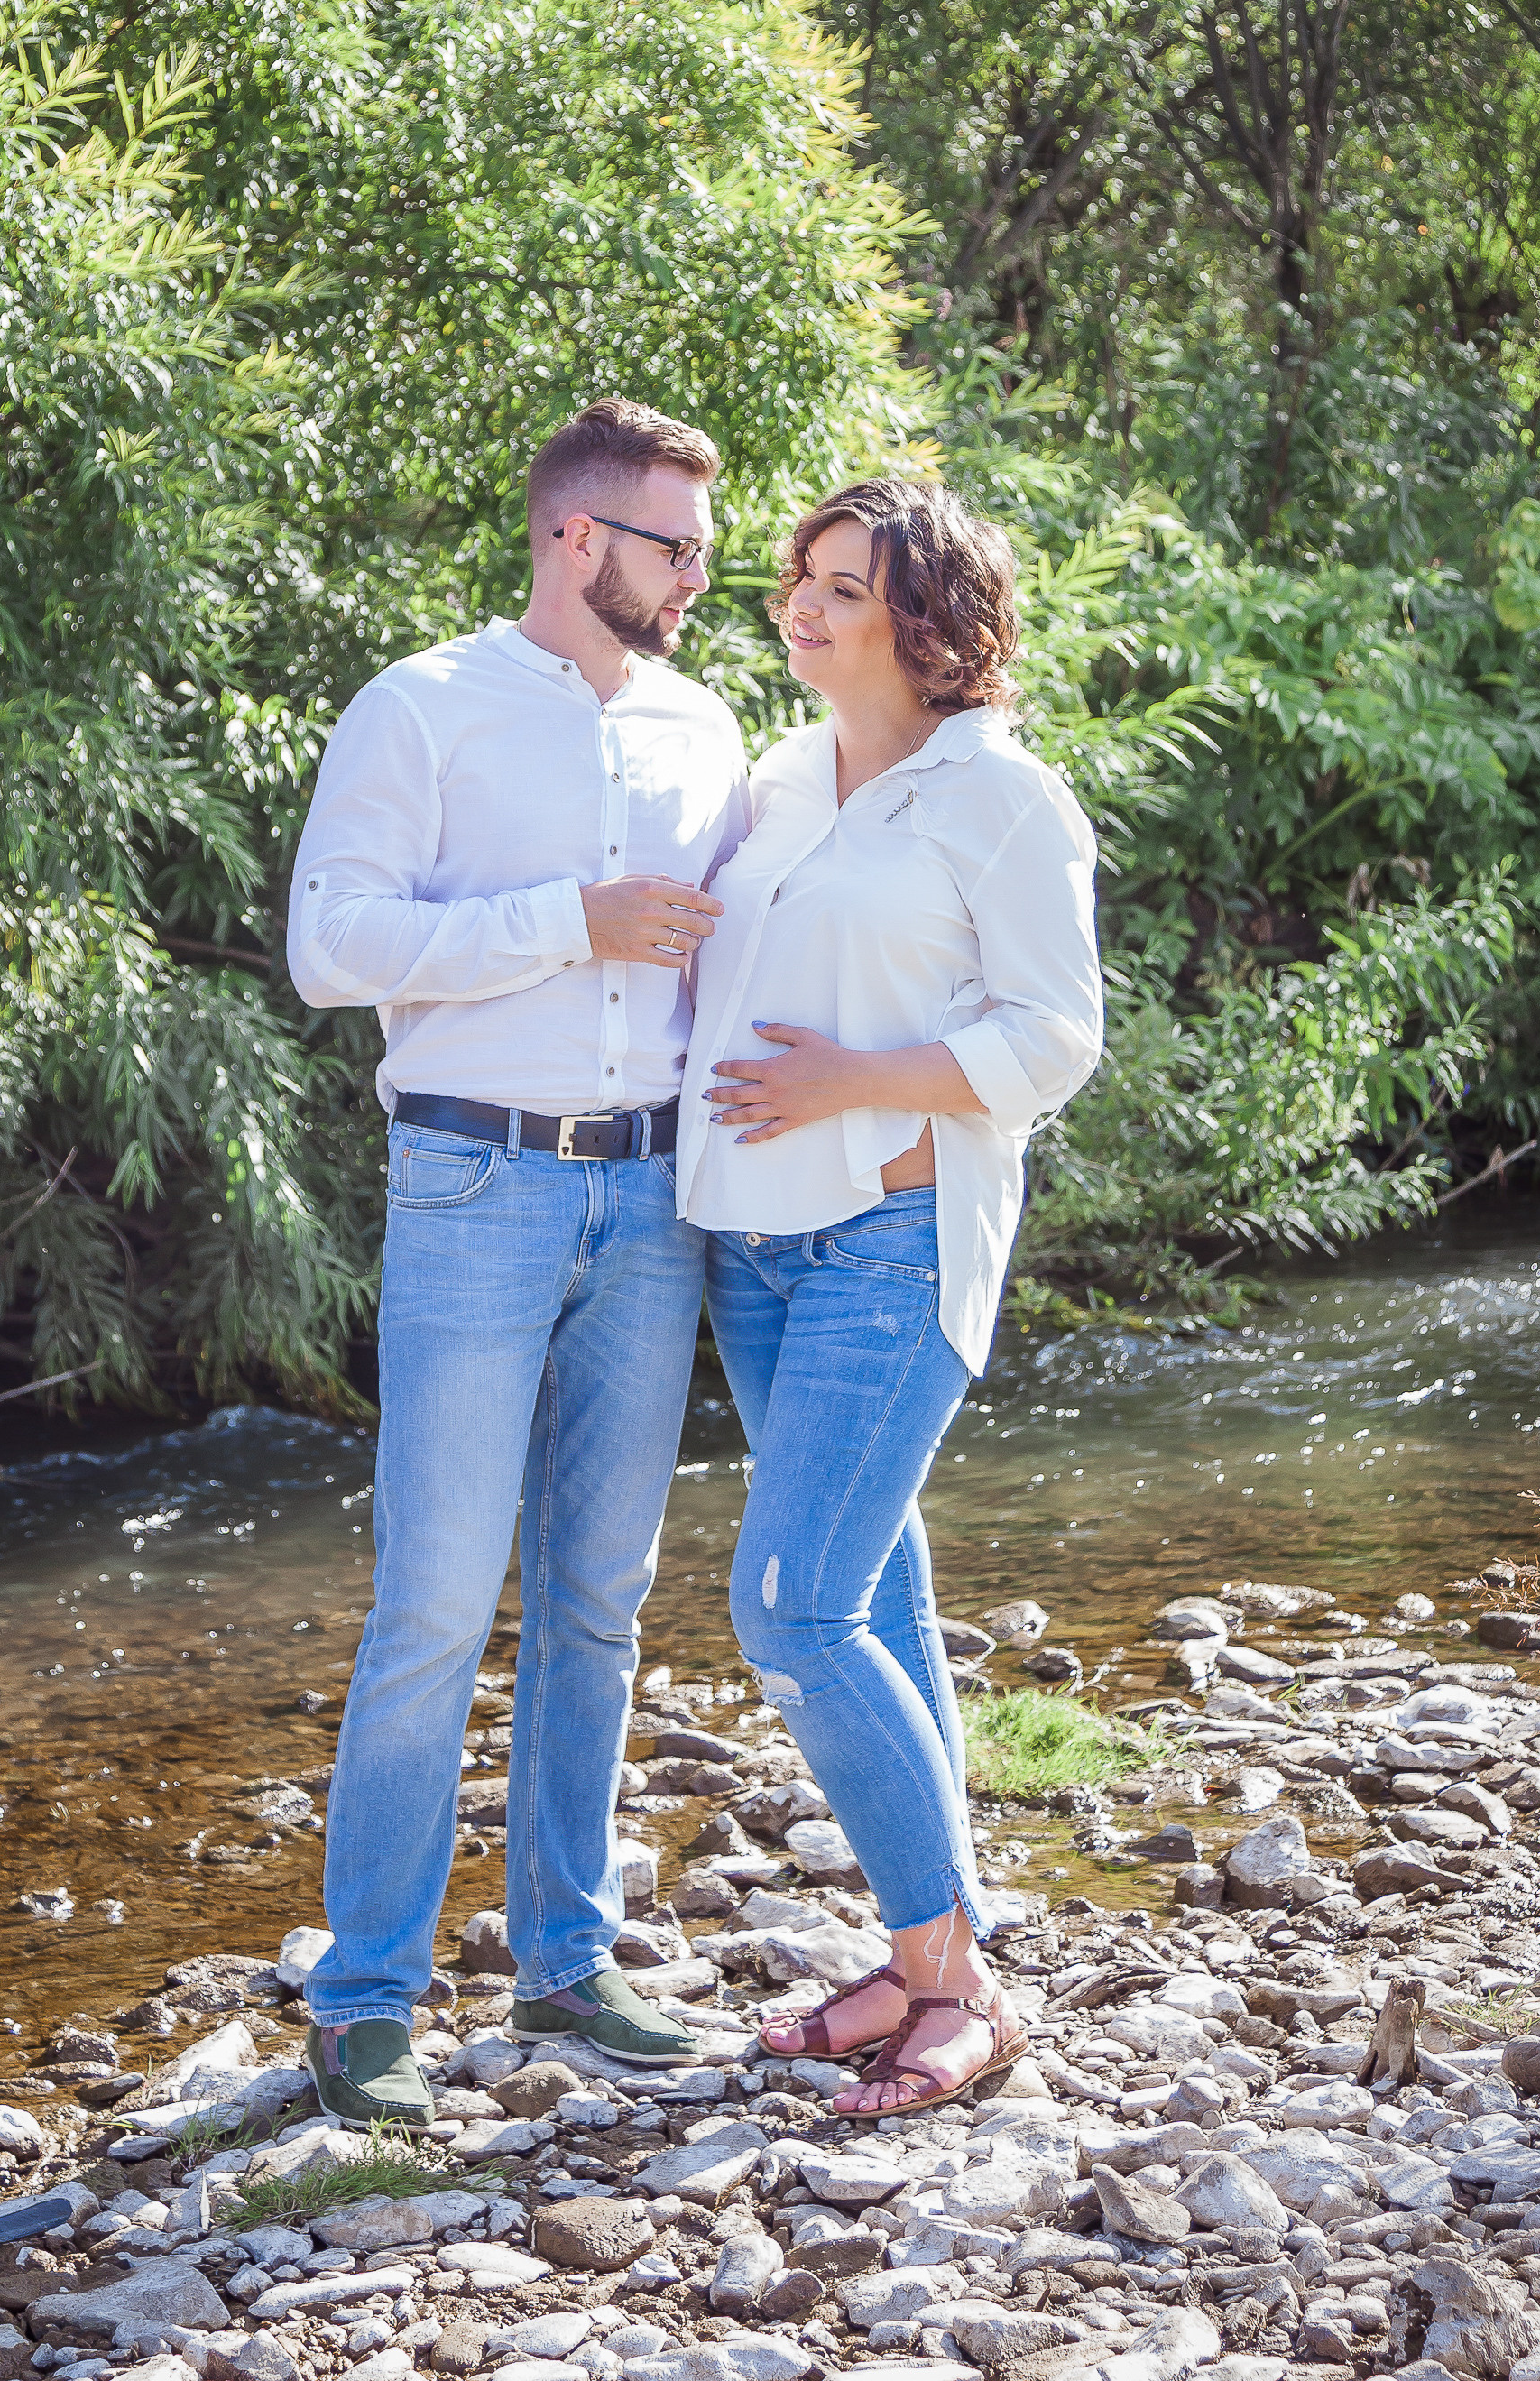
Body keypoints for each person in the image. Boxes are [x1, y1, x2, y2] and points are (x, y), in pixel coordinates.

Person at [285, 395, 752, 2127]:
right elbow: (332, 946)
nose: (699, 579)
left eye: (703, 551)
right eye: (677, 549)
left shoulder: (708, 726)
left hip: (655, 1200)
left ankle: (566, 1960)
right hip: (472, 1180)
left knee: (598, 1599)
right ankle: (365, 2000)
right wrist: (570, 923)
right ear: (578, 539)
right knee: (432, 1599)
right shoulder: (421, 706)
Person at [676, 475, 1103, 2120]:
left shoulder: (1005, 800)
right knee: (883, 1601)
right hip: (751, 1244)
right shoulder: (782, 779)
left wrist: (851, 1080)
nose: (801, 603)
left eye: (842, 586)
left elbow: (1054, 1038)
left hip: (890, 1238)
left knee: (793, 1610)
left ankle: (955, 1987)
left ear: (928, 623)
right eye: (797, 576)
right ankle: (935, 1948)